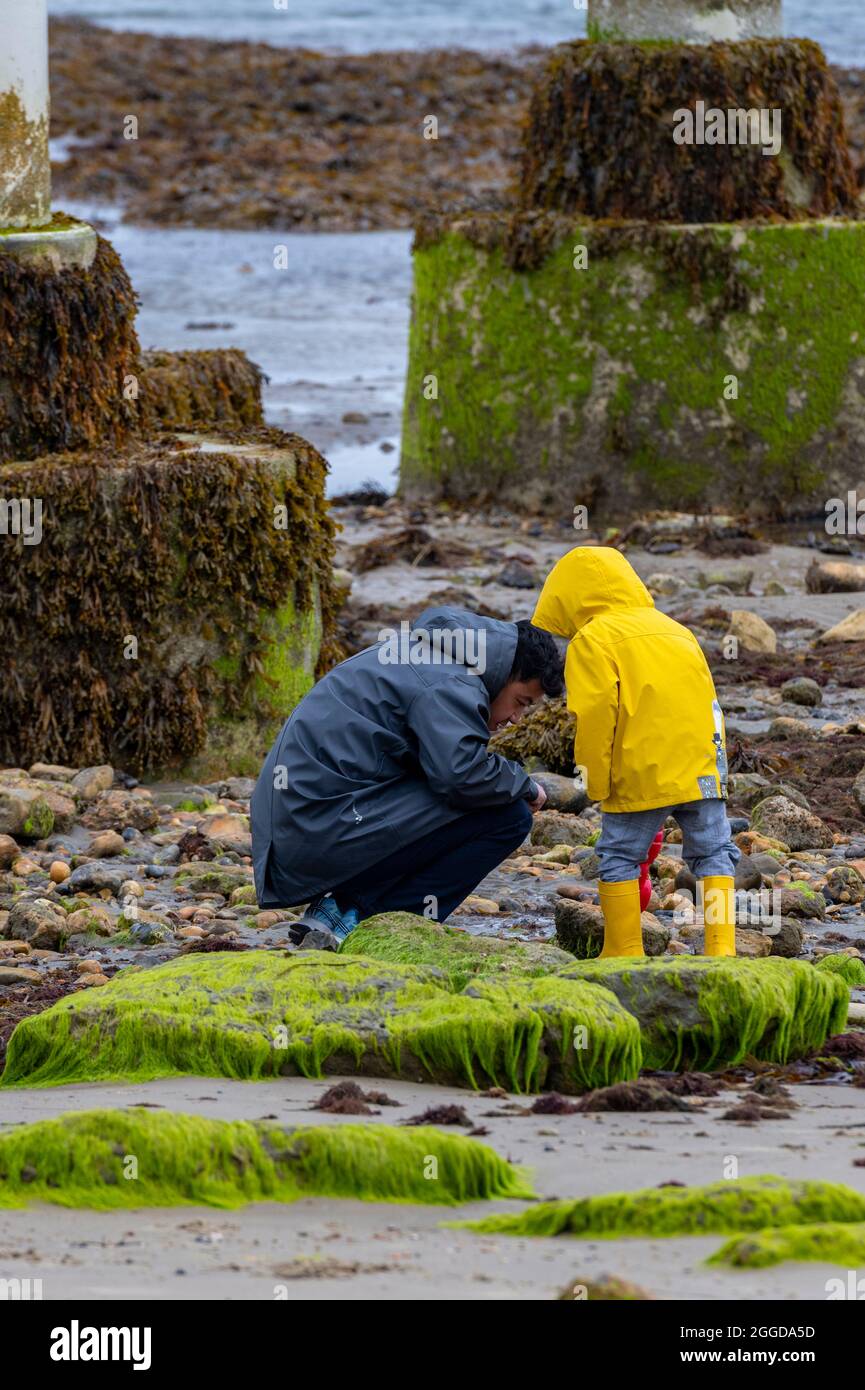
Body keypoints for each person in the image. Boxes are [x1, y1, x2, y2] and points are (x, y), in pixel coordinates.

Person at [251, 607, 564, 948]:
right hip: (315, 829)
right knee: (508, 816)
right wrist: (524, 783)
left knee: (478, 799)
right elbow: (461, 776)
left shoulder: (430, 654)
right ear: (506, 672)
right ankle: (377, 927)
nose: (518, 718)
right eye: (521, 702)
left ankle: (337, 909)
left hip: (299, 825)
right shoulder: (452, 681)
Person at [532, 545, 739, 958]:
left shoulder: (593, 639)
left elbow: (596, 715)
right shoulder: (677, 630)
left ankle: (623, 951)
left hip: (640, 771)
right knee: (715, 854)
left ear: (570, 597)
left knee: (618, 857)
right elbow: (710, 704)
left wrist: (595, 779)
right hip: (701, 767)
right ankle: (722, 951)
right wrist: (717, 769)